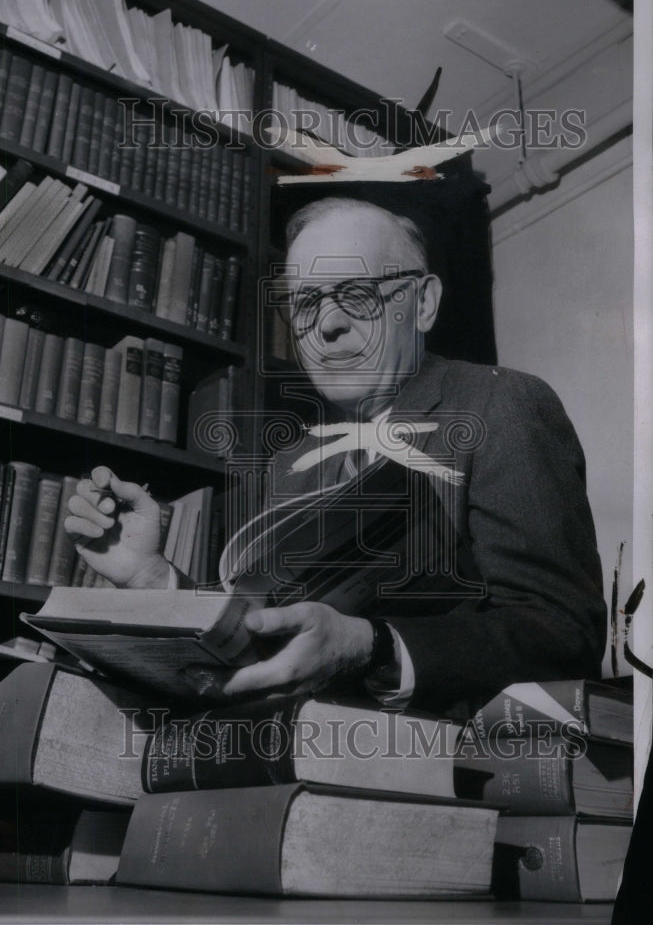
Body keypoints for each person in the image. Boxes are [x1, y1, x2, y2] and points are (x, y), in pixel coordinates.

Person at [65, 197, 606, 713]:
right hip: (291, 766)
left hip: (442, 774)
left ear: (423, 304)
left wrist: (372, 646)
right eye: (305, 302)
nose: (326, 325)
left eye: (356, 293)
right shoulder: (293, 462)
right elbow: (261, 638)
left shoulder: (499, 404)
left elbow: (563, 631)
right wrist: (152, 579)